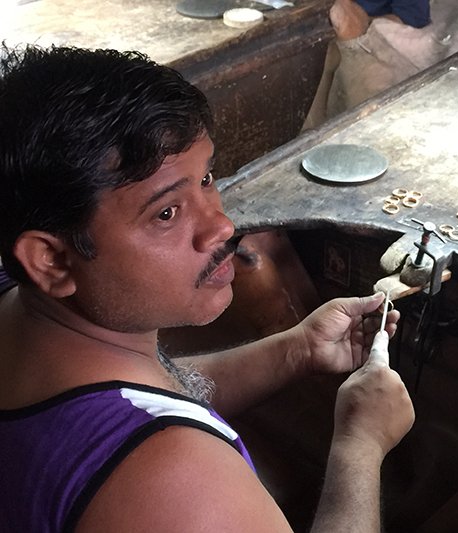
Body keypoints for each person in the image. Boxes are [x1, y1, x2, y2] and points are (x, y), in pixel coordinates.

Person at [0, 44, 414, 532]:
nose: (221, 226)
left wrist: (298, 350)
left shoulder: (21, 300)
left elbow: (137, 396)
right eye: (166, 213)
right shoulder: (174, 483)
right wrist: (360, 445)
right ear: (51, 260)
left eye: (206, 178)